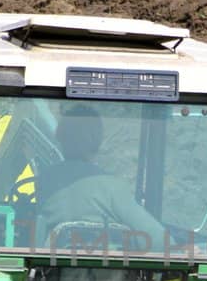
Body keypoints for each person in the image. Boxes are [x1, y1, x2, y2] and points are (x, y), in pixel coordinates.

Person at [33, 103, 164, 251]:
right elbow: (156, 240)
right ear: (97, 139)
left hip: (52, 271)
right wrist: (181, 249)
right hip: (107, 273)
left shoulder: (44, 181)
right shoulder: (111, 187)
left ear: (60, 136)